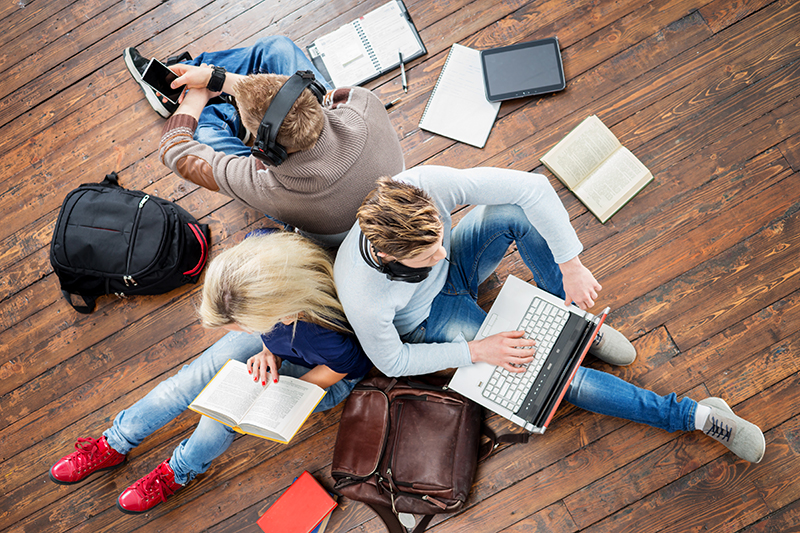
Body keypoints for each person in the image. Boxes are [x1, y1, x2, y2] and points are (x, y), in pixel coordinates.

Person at [333, 169, 765, 463]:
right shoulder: (361, 294)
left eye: (439, 236)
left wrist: (570, 265)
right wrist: (475, 350)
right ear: (388, 256)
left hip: (456, 278)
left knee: (513, 213)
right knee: (554, 374)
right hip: (430, 318)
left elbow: (532, 188)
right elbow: (392, 362)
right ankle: (695, 415)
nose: (442, 250)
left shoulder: (421, 187)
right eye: (429, 253)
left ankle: (570, 319)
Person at [49, 231, 372, 513]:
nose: (240, 332)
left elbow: (345, 367)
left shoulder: (323, 336)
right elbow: (260, 327)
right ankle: (114, 443)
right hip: (279, 342)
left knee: (220, 417)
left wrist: (277, 392)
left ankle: (180, 470)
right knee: (185, 384)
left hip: (321, 376)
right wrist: (266, 348)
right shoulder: (257, 263)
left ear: (277, 314)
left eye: (242, 327)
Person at [123, 36, 404, 247]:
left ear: (265, 150)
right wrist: (215, 79)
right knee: (278, 49)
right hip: (375, 193)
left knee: (205, 126)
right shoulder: (362, 102)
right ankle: (201, 80)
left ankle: (192, 92)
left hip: (325, 232)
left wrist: (198, 97)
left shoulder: (267, 185)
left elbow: (176, 151)